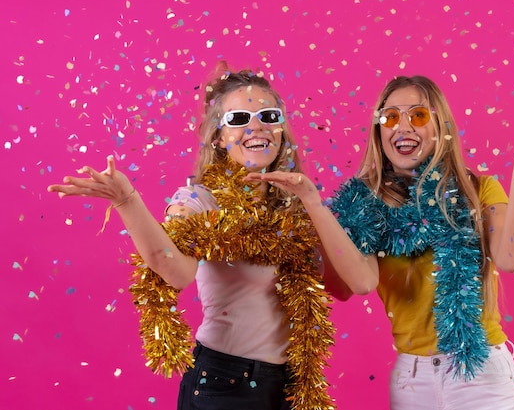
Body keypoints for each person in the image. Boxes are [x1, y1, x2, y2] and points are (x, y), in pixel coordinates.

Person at [248, 75, 514, 410]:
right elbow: (361, 283)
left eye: (417, 116)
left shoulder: (476, 190)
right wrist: (312, 203)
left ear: (440, 127)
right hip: (413, 381)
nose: (402, 126)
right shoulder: (363, 207)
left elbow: (511, 258)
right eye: (390, 117)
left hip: (482, 376)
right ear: (379, 131)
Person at [47, 64, 336, 410]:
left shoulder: (299, 205)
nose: (256, 126)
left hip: (293, 386)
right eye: (240, 118)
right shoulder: (199, 200)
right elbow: (176, 271)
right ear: (217, 137)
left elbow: (347, 284)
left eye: (268, 115)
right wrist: (127, 201)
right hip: (225, 384)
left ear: (281, 129)